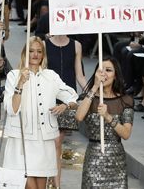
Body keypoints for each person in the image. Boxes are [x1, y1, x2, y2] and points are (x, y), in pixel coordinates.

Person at [3, 37, 78, 189]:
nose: (35, 55)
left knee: (41, 186)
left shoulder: (51, 76)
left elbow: (73, 96)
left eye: (39, 51)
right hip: (21, 141)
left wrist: (65, 106)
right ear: (25, 53)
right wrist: (20, 84)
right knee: (28, 185)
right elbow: (12, 109)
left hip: (44, 140)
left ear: (43, 55)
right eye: (31, 51)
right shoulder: (14, 75)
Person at [76, 58, 134, 189]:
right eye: (101, 70)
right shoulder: (88, 98)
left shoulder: (125, 100)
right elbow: (79, 117)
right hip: (94, 158)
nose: (104, 74)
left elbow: (125, 134)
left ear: (116, 75)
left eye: (108, 70)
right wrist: (95, 87)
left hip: (117, 161)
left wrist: (108, 117)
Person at [45, 34, 85, 189]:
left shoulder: (76, 45)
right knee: (50, 143)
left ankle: (55, 184)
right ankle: (49, 181)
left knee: (57, 143)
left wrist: (92, 93)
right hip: (48, 98)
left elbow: (79, 75)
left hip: (68, 99)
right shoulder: (44, 44)